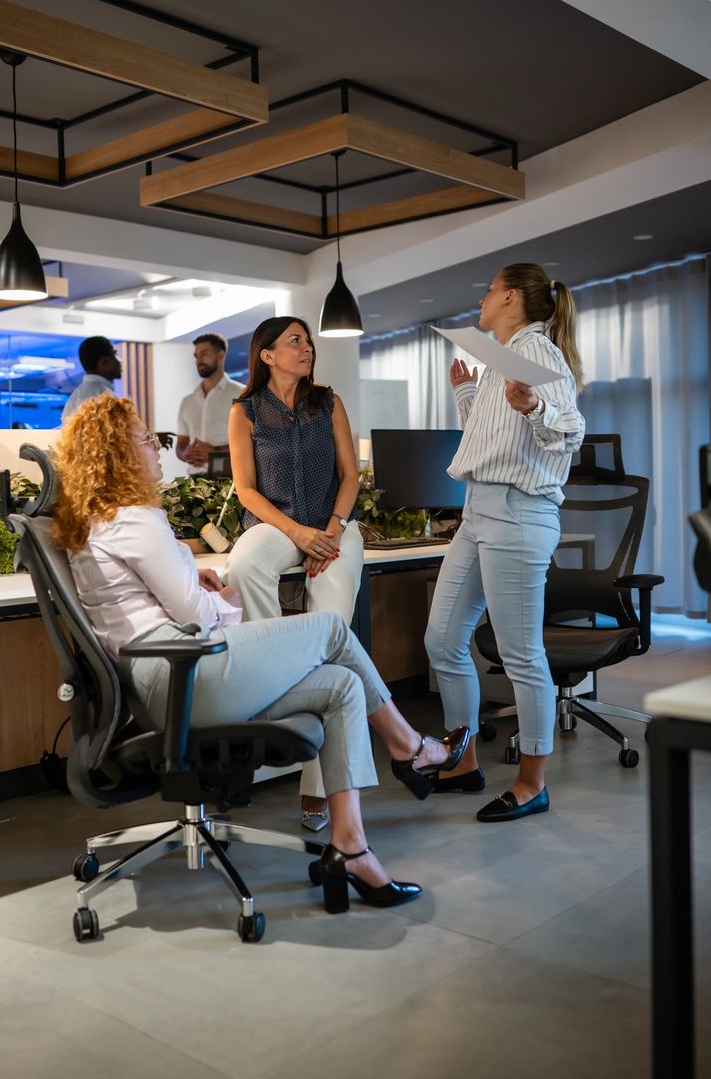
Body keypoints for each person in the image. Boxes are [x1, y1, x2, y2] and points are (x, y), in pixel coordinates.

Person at [53, 392, 470, 914]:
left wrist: (193, 580)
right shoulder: (136, 517)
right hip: (182, 674)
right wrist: (222, 597)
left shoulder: (101, 519)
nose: (157, 447)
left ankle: (351, 848)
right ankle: (410, 746)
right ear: (118, 453)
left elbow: (145, 599)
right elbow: (199, 616)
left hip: (160, 681)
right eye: (145, 439)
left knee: (341, 687)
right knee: (330, 631)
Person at [425, 263, 586, 823]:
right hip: (479, 511)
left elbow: (570, 429)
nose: (483, 298)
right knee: (443, 639)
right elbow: (493, 440)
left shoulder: (536, 352)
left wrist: (538, 407)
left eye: (489, 290)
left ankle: (531, 783)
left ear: (511, 297)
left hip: (517, 512)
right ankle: (462, 760)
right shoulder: (503, 359)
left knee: (521, 655)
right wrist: (468, 393)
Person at [226, 316, 364, 834]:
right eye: (295, 341)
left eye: (307, 340)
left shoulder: (328, 402)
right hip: (277, 525)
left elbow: (350, 475)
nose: (308, 348)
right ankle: (271, 675)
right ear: (267, 355)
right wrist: (298, 534)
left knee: (331, 628)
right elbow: (246, 490)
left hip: (335, 524)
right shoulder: (244, 411)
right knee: (243, 564)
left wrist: (329, 531)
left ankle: (316, 785)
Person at [176, 333, 244, 474]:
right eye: (196, 356)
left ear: (221, 356)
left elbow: (254, 442)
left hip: (229, 479)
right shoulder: (187, 402)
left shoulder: (242, 394)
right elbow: (180, 446)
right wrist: (186, 453)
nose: (198, 360)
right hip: (193, 481)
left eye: (204, 354)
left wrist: (215, 452)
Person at [62, 336, 122, 422]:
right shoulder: (106, 398)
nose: (120, 360)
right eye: (115, 354)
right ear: (103, 362)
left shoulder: (74, 398)